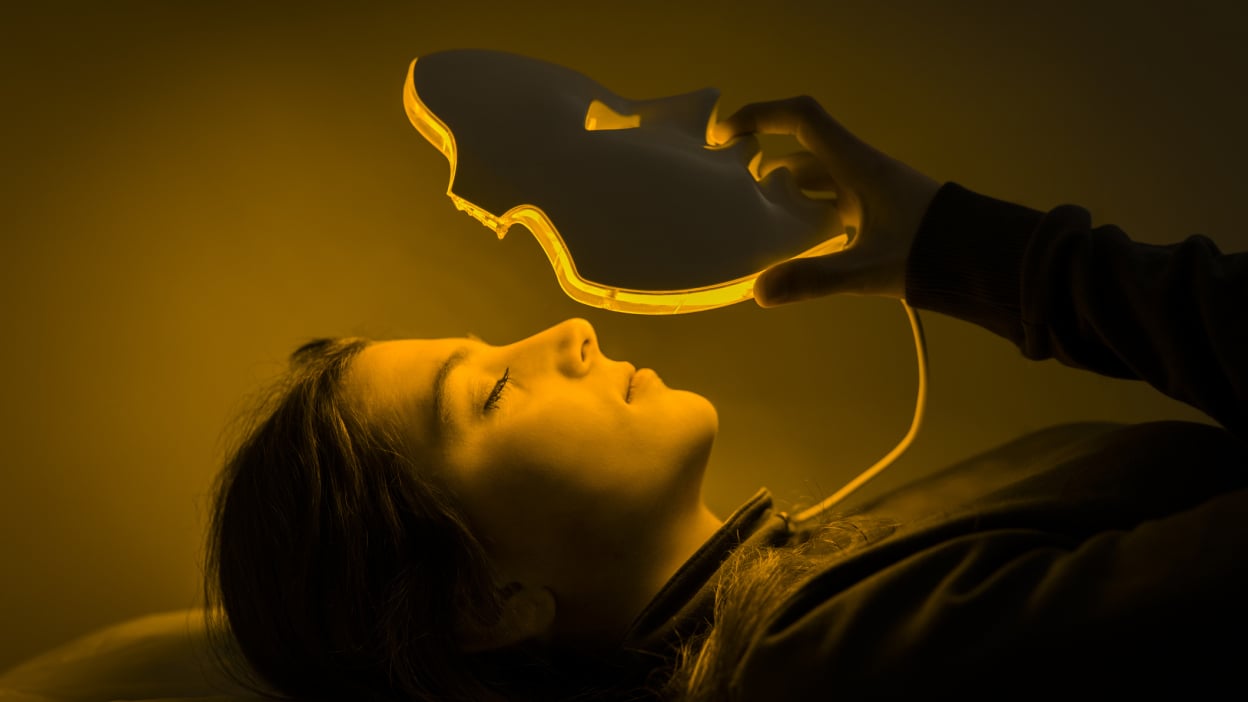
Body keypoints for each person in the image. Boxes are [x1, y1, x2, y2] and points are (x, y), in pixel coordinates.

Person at [202, 96, 1247, 702]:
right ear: (483, 604)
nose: (565, 329)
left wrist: (951, 245)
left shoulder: (806, 590)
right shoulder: (814, 660)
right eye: (491, 390)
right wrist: (994, 253)